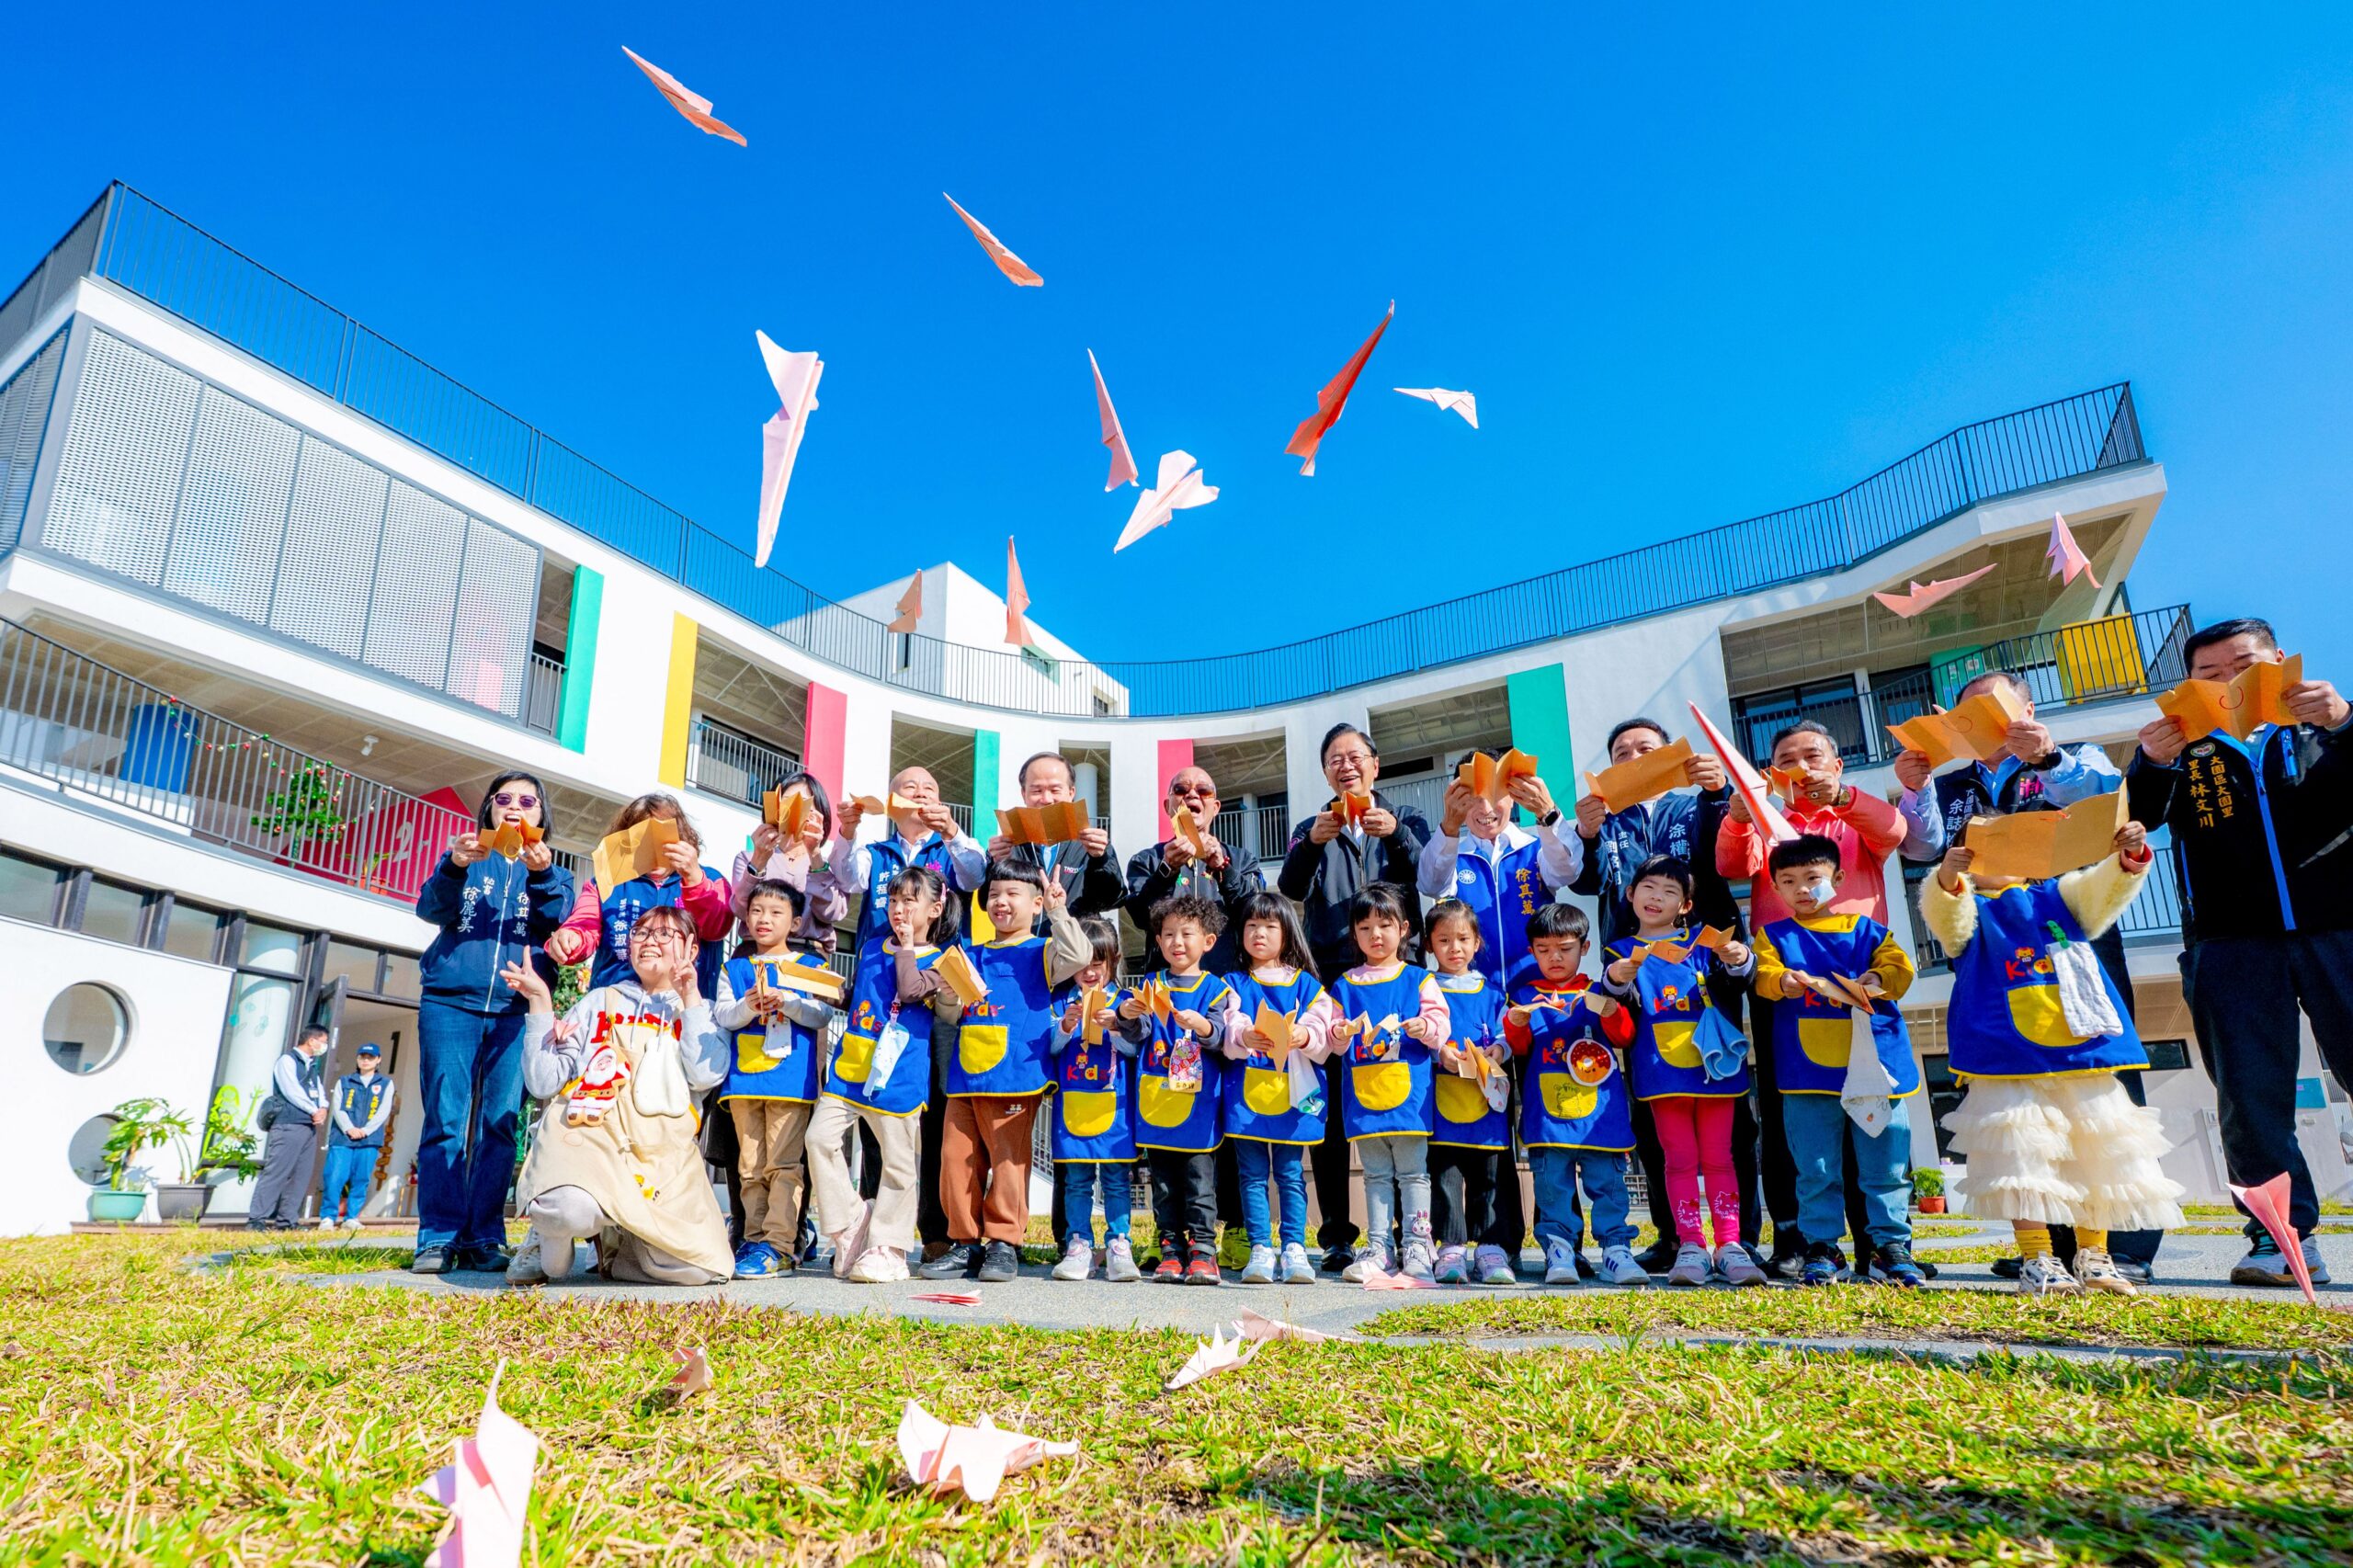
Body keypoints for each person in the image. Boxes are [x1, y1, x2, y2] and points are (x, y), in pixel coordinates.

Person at [1895, 669, 2157, 1282]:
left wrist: (2046, 755)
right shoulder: (1955, 783)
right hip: (1990, 937)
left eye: (1999, 705)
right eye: (1971, 711)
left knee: (2094, 1082)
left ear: (2026, 706)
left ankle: (2120, 1248)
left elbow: (2110, 799)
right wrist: (1915, 789)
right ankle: (2040, 1247)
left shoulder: (2070, 757)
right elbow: (1923, 847)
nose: (1988, 718)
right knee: (2020, 1110)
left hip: (2070, 928)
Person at [2126, 617, 2353, 1288]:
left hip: (2340, 927)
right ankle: (2281, 1239)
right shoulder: (2187, 752)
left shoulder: (2322, 727)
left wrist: (2344, 721)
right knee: (2250, 1096)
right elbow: (2135, 818)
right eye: (2210, 675)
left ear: (2279, 662)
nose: (2229, 682)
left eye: (2244, 666)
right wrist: (2152, 763)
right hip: (2229, 944)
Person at [1921, 820, 2187, 1295]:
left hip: (2079, 1047)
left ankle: (2095, 1256)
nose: (1997, 859)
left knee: (2096, 1151)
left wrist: (2126, 858)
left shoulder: (2058, 896)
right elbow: (1948, 920)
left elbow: (2102, 893)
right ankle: (2038, 1258)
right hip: (2005, 1051)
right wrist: (1947, 880)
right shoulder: (1972, 909)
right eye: (1981, 850)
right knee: (2021, 1155)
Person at [1716, 719, 1905, 1275]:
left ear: (1837, 764)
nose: (1801, 767)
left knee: (1870, 1108)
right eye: (1787, 758)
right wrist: (1736, 814)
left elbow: (1894, 832)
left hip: (1859, 984)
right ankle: (1801, 1237)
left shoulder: (1853, 815)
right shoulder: (1765, 817)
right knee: (1790, 1115)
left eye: (1813, 755)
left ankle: (1880, 1237)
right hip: (1785, 984)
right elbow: (1731, 865)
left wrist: (1844, 799)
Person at [1570, 719, 1753, 1272]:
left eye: (1645, 748)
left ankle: (1739, 1238)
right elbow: (1588, 880)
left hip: (1708, 960)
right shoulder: (1608, 817)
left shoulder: (1693, 804)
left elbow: (1730, 855)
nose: (1633, 756)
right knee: (1655, 1110)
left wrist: (1718, 790)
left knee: (1728, 1113)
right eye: (1621, 751)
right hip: (1633, 967)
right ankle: (1678, 1239)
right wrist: (1585, 834)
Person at [503, 906, 734, 1287]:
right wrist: (540, 1004)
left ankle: (621, 1245)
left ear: (692, 949)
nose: (649, 942)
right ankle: (548, 1241)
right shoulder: (599, 1000)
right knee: (566, 1213)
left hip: (663, 1159)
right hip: (587, 1140)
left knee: (701, 1268)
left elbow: (705, 1074)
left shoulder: (701, 1010)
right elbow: (544, 1082)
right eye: (641, 933)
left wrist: (689, 995)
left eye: (664, 934)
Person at [1279, 722, 1432, 1272]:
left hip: (1399, 981)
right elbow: (1292, 889)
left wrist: (1393, 834)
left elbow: (1429, 871)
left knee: (1400, 1099)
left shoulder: (1406, 818)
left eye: (1354, 757)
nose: (1345, 766)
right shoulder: (1311, 826)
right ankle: (1339, 1236)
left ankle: (1410, 1235)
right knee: (1334, 1113)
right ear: (1325, 772)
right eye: (1334, 759)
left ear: (1375, 763)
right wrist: (1313, 842)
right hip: (1335, 981)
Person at [411, 770, 574, 1273]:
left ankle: (484, 1236)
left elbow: (562, 924)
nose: (514, 808)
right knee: (446, 1120)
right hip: (449, 1003)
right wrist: (455, 866)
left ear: (542, 816)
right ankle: (437, 1237)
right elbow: (429, 908)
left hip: (513, 1010)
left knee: (501, 1125)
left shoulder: (553, 871)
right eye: (503, 799)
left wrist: (544, 875)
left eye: (528, 801)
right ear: (487, 810)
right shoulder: (466, 857)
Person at [1748, 835, 1926, 1289]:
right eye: (1788, 882)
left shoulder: (1868, 931)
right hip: (1807, 1070)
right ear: (1776, 890)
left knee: (1885, 1164)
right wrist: (1784, 980)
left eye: (1813, 878)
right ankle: (1823, 1247)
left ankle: (1890, 1247)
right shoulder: (1773, 936)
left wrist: (1874, 978)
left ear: (1839, 879)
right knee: (1816, 1168)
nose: (1802, 889)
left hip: (1875, 1066)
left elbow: (1900, 970)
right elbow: (1763, 977)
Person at [827, 766, 987, 1262]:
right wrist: (849, 828)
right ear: (891, 798)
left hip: (936, 989)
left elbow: (977, 874)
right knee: (876, 1109)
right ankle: (872, 1228)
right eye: (909, 787)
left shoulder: (950, 851)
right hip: (881, 993)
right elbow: (845, 875)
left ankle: (936, 1233)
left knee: (936, 1111)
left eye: (930, 789)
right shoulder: (876, 853)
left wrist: (953, 831)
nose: (919, 795)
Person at [922, 860, 1093, 1284]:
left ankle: (1004, 1242)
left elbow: (1079, 955)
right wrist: (946, 995)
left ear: (1035, 904)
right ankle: (964, 1242)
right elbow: (950, 1015)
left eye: (1013, 894)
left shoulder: (1042, 952)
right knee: (955, 1159)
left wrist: (1058, 912)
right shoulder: (968, 954)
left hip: (1018, 1072)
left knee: (1008, 1160)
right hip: (966, 1074)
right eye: (995, 893)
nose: (1001, 902)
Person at [1598, 856, 1764, 1288]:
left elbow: (1742, 977)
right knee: (1679, 1159)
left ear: (1686, 905)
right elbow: (1614, 1000)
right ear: (1631, 894)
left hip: (1715, 1066)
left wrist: (1739, 957)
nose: (1657, 898)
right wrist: (1614, 978)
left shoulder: (1706, 944)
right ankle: (1690, 1242)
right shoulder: (1619, 950)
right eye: (1649, 888)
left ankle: (1729, 1244)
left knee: (1719, 1156)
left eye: (1670, 892)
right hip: (1659, 1070)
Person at [806, 864, 959, 1284]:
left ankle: (889, 1246)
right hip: (853, 1065)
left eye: (911, 901)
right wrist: (818, 985)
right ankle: (851, 1221)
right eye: (893, 900)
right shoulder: (873, 945)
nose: (899, 909)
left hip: (901, 1074)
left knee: (897, 1164)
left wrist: (908, 946)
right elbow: (858, 997)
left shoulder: (946, 959)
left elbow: (909, 990)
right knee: (818, 1138)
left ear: (936, 908)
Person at [1505, 903, 1643, 1286]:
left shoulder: (1597, 990)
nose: (1555, 957)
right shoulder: (1524, 994)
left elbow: (1624, 1037)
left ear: (1584, 948)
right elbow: (1517, 1047)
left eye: (1564, 948)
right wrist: (1515, 1022)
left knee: (1609, 1186)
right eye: (1544, 949)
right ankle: (1559, 1249)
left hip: (1602, 1115)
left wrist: (1611, 1010)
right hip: (1548, 1117)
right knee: (1553, 1187)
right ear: (1531, 950)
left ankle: (1616, 1249)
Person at [710, 880, 836, 1278]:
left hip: (790, 1082)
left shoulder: (811, 968)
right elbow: (723, 1016)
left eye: (776, 912)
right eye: (758, 911)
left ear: (796, 923)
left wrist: (790, 1002)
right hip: (744, 1081)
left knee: (783, 1165)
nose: (764, 919)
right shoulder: (733, 969)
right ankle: (753, 1237)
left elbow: (822, 1015)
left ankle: (780, 1243)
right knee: (749, 1167)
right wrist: (749, 1007)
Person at [1326, 884, 1450, 1281]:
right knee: (1376, 1174)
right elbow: (1331, 1038)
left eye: (1385, 925)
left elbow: (1441, 1027)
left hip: (1410, 1099)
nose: (1375, 935)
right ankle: (1378, 1245)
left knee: (1414, 1173)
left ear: (1405, 930)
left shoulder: (1418, 979)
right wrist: (1341, 1031)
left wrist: (1425, 1025)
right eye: (1365, 927)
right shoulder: (1344, 985)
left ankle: (1417, 1243)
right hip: (1364, 1097)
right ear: (1354, 935)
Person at [1218, 892, 1336, 1285]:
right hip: (1248, 1095)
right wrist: (1242, 1036)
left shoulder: (1308, 986)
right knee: (1250, 1174)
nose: (1259, 934)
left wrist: (1306, 1034)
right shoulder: (1232, 983)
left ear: (1288, 933)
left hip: (1294, 1094)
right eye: (1251, 926)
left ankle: (1294, 1248)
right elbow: (1229, 1025)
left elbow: (1325, 1028)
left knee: (1289, 1172)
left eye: (1270, 926)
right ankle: (1259, 1248)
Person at [1120, 892, 1234, 1284]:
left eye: (1187, 934)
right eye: (1168, 934)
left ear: (1209, 942)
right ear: (1157, 940)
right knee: (1164, 1184)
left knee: (1200, 1182)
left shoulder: (1216, 990)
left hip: (1199, 1102)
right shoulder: (1149, 986)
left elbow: (1222, 1037)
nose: (1177, 943)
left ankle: (1204, 1251)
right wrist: (1128, 1015)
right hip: (1157, 1097)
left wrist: (1201, 1026)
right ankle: (1170, 1248)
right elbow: (1136, 1035)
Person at [1419, 750, 1583, 988]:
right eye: (1474, 797)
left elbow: (1568, 870)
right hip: (1476, 995)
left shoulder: (1536, 847)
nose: (1486, 809)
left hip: (1538, 993)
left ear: (1513, 795)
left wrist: (1547, 813)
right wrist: (1449, 826)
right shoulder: (1452, 854)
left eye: (1495, 796)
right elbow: (1430, 884)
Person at [548, 793, 733, 997]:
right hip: (615, 1009)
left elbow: (718, 927)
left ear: (680, 836)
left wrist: (694, 880)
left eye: (660, 835)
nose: (651, 845)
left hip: (686, 1008)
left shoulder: (710, 878)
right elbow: (584, 923)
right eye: (641, 837)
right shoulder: (607, 881)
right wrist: (571, 938)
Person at [1420, 899, 1513, 1285]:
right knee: (1445, 1176)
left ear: (1477, 943)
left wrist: (1499, 1050)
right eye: (1443, 940)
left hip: (1485, 1100)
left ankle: (1491, 1248)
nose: (1454, 948)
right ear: (1429, 945)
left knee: (1487, 1175)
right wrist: (1436, 1048)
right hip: (1441, 1098)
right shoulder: (1422, 988)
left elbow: (1508, 1031)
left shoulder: (1492, 993)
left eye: (1463, 939)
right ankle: (1451, 1248)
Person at [1048, 916, 1142, 1283]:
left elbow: (1135, 1050)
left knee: (1118, 1179)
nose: (1089, 972)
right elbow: (1051, 1048)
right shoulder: (1061, 1003)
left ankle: (1120, 1244)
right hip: (1073, 1106)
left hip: (1115, 1108)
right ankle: (1079, 1245)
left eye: (1098, 964)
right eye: (1082, 965)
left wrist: (1116, 1026)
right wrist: (1066, 1026)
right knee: (1076, 1180)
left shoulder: (1127, 1002)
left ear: (1113, 960)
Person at [1124, 765, 1265, 975]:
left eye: (1203, 791)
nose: (1192, 794)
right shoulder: (1147, 860)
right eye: (1180, 790)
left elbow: (1257, 915)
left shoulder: (1242, 860)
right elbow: (1141, 917)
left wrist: (1223, 869)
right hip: (1166, 986)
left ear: (1216, 807)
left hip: (1228, 984)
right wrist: (1166, 870)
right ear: (1167, 806)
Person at [985, 751, 1125, 917]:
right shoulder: (1008, 846)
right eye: (1037, 791)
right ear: (1024, 794)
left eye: (1055, 790)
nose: (1046, 799)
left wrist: (1100, 860)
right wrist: (995, 864)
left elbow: (1113, 900)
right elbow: (983, 902)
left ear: (1072, 792)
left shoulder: (1093, 845)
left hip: (1075, 941)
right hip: (1025, 942)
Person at [729, 771, 851, 958]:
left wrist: (815, 855)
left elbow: (832, 913)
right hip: (755, 952)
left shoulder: (831, 865)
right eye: (786, 802)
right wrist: (759, 859)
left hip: (808, 954)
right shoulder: (748, 858)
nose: (795, 810)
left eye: (804, 804)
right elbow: (740, 909)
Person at [247, 1024, 333, 1231]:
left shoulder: (311, 1065)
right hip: (289, 1124)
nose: (325, 1046)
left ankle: (287, 1221)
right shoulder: (287, 1061)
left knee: (300, 1175)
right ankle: (257, 1219)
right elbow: (291, 1090)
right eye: (324, 1041)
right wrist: (313, 1110)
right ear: (312, 1041)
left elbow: (318, 1090)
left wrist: (323, 1107)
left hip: (308, 1126)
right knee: (277, 1171)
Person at [316, 1041, 393, 1230]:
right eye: (362, 1057)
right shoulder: (345, 1081)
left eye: (370, 1058)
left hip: (369, 1140)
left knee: (361, 1178)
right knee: (335, 1176)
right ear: (357, 1059)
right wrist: (349, 1128)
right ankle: (328, 1216)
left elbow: (384, 1110)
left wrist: (366, 1130)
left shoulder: (385, 1083)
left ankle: (352, 1217)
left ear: (378, 1060)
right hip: (343, 1138)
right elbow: (338, 1108)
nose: (366, 1061)